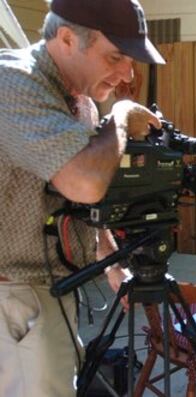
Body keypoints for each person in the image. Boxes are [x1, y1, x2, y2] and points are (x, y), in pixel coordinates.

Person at [0, 0, 164, 395]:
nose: (127, 74)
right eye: (116, 56)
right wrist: (121, 115)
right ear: (68, 39)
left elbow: (81, 204)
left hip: (53, 285)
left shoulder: (82, 103)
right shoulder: (13, 81)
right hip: (15, 294)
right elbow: (85, 183)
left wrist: (108, 260)